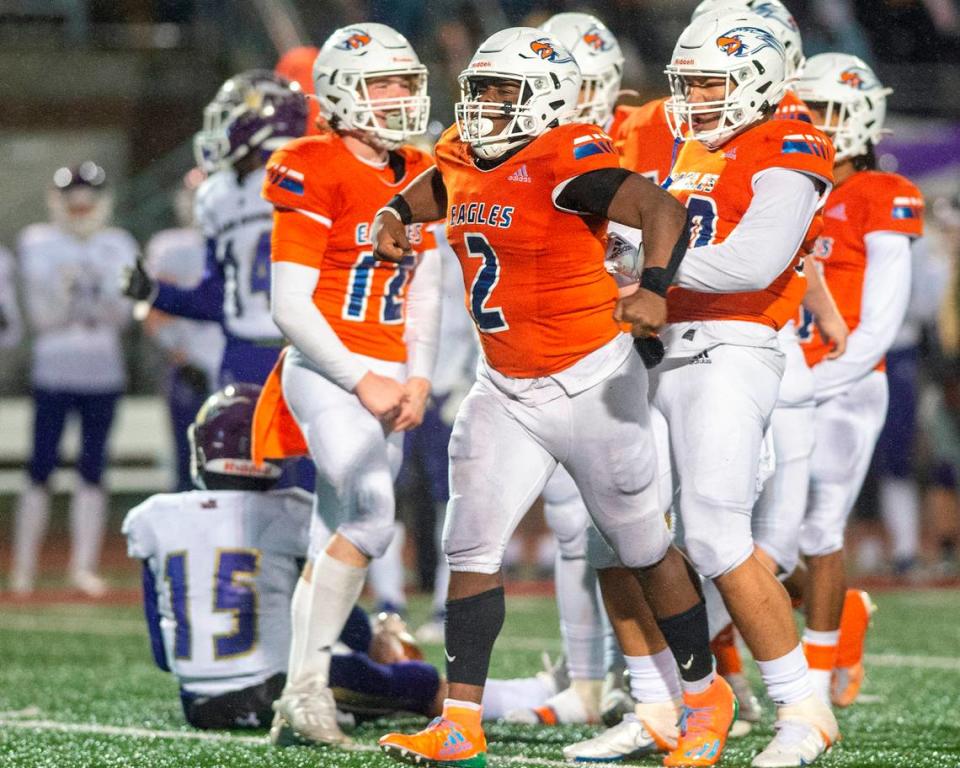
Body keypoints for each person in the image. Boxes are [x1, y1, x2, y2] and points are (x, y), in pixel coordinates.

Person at [372, 26, 737, 768]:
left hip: (594, 381)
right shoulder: (463, 151)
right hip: (503, 385)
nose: (483, 107)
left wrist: (657, 290)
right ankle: (460, 720)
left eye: (501, 93)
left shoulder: (566, 157)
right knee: (469, 544)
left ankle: (705, 699)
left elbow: (663, 211)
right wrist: (392, 216)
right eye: (478, 91)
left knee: (642, 546)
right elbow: (439, 187)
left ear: (542, 99)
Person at [639, 9, 839, 766]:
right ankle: (674, 702)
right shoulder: (698, 143)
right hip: (661, 345)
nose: (693, 97)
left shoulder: (790, 141)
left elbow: (753, 264)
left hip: (733, 344)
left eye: (709, 82)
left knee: (718, 533)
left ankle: (803, 708)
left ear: (758, 79)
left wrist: (643, 265)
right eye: (686, 82)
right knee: (632, 535)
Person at [249, 22, 441, 748]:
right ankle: (306, 688)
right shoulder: (313, 163)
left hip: (389, 373)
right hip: (329, 371)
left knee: (335, 530)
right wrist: (362, 380)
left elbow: (427, 291)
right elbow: (289, 304)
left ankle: (303, 699)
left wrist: (418, 375)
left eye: (405, 82)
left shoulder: (421, 173)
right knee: (370, 516)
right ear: (337, 93)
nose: (398, 98)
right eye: (381, 83)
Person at [123, 384, 444, 729]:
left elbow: (162, 655)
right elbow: (341, 619)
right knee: (419, 678)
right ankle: (495, 703)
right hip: (276, 689)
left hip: (199, 705)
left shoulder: (154, 517)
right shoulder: (290, 513)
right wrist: (376, 646)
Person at [793, 53, 924, 708]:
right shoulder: (791, 185)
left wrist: (805, 383)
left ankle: (813, 685)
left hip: (843, 385)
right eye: (804, 107)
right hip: (781, 376)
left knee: (815, 533)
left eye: (823, 110)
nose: (810, 122)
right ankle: (835, 620)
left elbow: (876, 327)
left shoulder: (884, 194)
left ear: (861, 116)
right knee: (732, 542)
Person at [123, 70, 307, 390]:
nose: (222, 130)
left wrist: (155, 292)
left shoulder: (219, 195)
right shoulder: (317, 178)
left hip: (247, 354)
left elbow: (213, 299)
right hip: (311, 352)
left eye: (231, 117)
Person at [11, 162, 137, 597]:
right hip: (55, 367)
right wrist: (83, 299)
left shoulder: (117, 242)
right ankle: (24, 566)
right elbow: (44, 317)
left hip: (102, 370)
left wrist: (87, 296)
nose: (80, 205)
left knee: (93, 468)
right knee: (40, 465)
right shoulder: (37, 241)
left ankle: (82, 567)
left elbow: (121, 315)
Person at [143, 167, 225, 491]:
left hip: (233, 363)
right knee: (186, 462)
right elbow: (152, 312)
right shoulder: (169, 246)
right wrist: (178, 352)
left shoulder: (241, 238)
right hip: (188, 364)